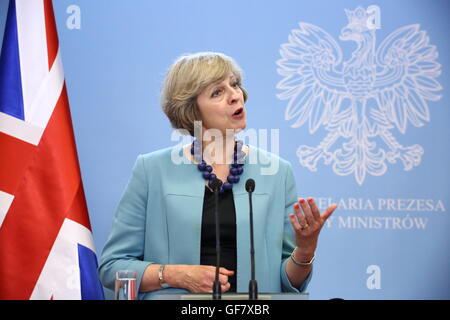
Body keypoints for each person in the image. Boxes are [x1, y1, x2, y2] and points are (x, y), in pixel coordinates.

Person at [98, 52, 338, 299]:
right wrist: (177, 275)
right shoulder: (151, 170)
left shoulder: (277, 172)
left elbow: (288, 282)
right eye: (217, 92)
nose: (236, 96)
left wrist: (305, 251)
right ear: (192, 111)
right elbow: (113, 268)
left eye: (234, 85)